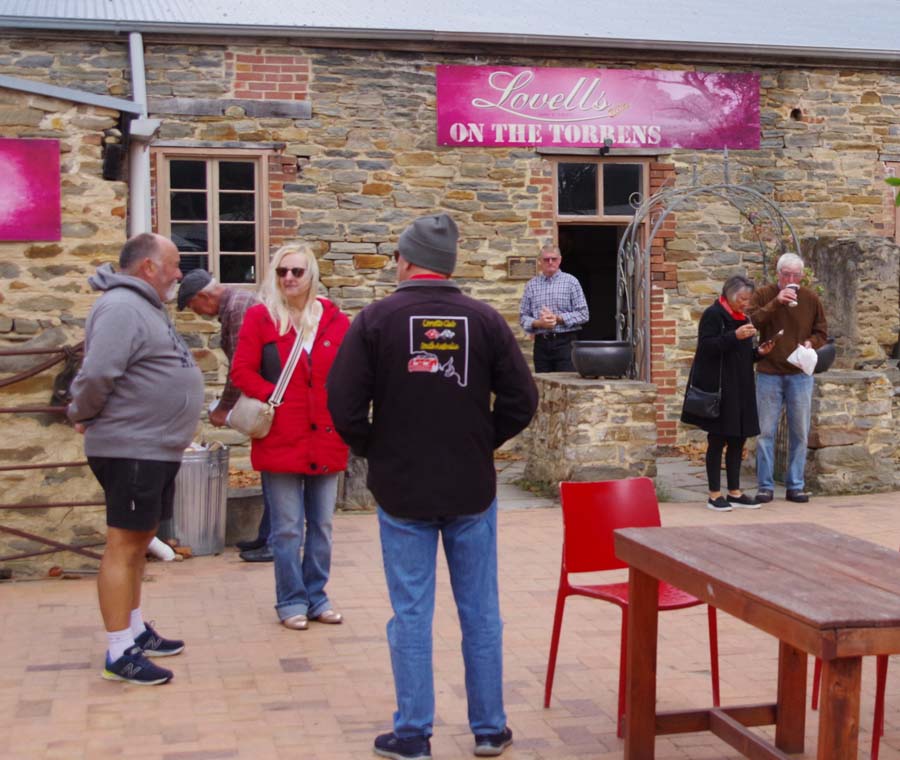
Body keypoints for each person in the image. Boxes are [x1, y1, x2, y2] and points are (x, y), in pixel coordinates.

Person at [327, 212, 539, 760]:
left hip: (403, 490)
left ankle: (413, 734)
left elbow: (343, 405)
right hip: (471, 487)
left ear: (406, 260)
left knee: (411, 614)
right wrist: (480, 439)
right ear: (448, 265)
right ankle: (489, 728)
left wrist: (378, 448)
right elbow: (523, 400)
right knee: (481, 612)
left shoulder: (376, 319)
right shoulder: (484, 320)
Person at [67, 232, 204, 685]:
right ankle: (118, 651)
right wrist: (81, 413)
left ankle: (135, 629)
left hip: (152, 449)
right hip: (130, 448)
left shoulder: (144, 306)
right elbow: (97, 373)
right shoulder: (121, 307)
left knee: (140, 540)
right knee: (124, 545)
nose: (179, 274)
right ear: (148, 266)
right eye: (174, 264)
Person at [230, 243, 349, 630]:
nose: (289, 278)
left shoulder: (334, 320)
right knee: (286, 528)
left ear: (311, 274)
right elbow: (242, 371)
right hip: (281, 436)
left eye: (297, 271)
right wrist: (274, 397)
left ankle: (317, 596)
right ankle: (291, 600)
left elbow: (352, 371)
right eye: (282, 271)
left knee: (322, 525)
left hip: (326, 437)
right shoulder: (261, 318)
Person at [177, 270, 272, 563]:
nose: (197, 313)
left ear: (203, 297)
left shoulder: (238, 308)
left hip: (269, 398)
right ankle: (268, 536)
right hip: (268, 394)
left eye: (193, 306)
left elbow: (241, 366)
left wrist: (224, 408)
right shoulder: (237, 305)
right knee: (270, 466)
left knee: (276, 469)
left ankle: (274, 540)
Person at [681, 276, 775, 512]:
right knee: (717, 440)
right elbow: (706, 347)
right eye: (742, 299)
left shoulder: (744, 318)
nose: (746, 304)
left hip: (741, 388)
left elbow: (741, 355)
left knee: (737, 439)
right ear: (730, 295)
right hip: (721, 388)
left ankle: (735, 492)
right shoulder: (714, 314)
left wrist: (759, 353)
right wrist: (734, 336)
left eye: (748, 299)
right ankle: (714, 495)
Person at [747, 253, 828, 504]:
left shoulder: (810, 298)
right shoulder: (764, 294)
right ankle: (765, 486)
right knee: (765, 433)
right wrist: (776, 302)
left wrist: (811, 342)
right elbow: (752, 322)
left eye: (796, 275)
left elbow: (822, 331)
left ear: (802, 276)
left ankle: (795, 485)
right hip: (769, 372)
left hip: (799, 374)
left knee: (800, 432)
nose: (791, 279)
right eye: (786, 274)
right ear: (778, 273)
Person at [518, 243, 589, 372]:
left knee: (566, 381)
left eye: (554, 259)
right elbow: (523, 317)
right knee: (542, 381)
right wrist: (539, 323)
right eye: (546, 259)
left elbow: (583, 314)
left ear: (560, 260)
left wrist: (558, 318)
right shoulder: (531, 285)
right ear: (540, 261)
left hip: (566, 342)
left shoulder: (571, 282)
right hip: (541, 344)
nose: (550, 262)